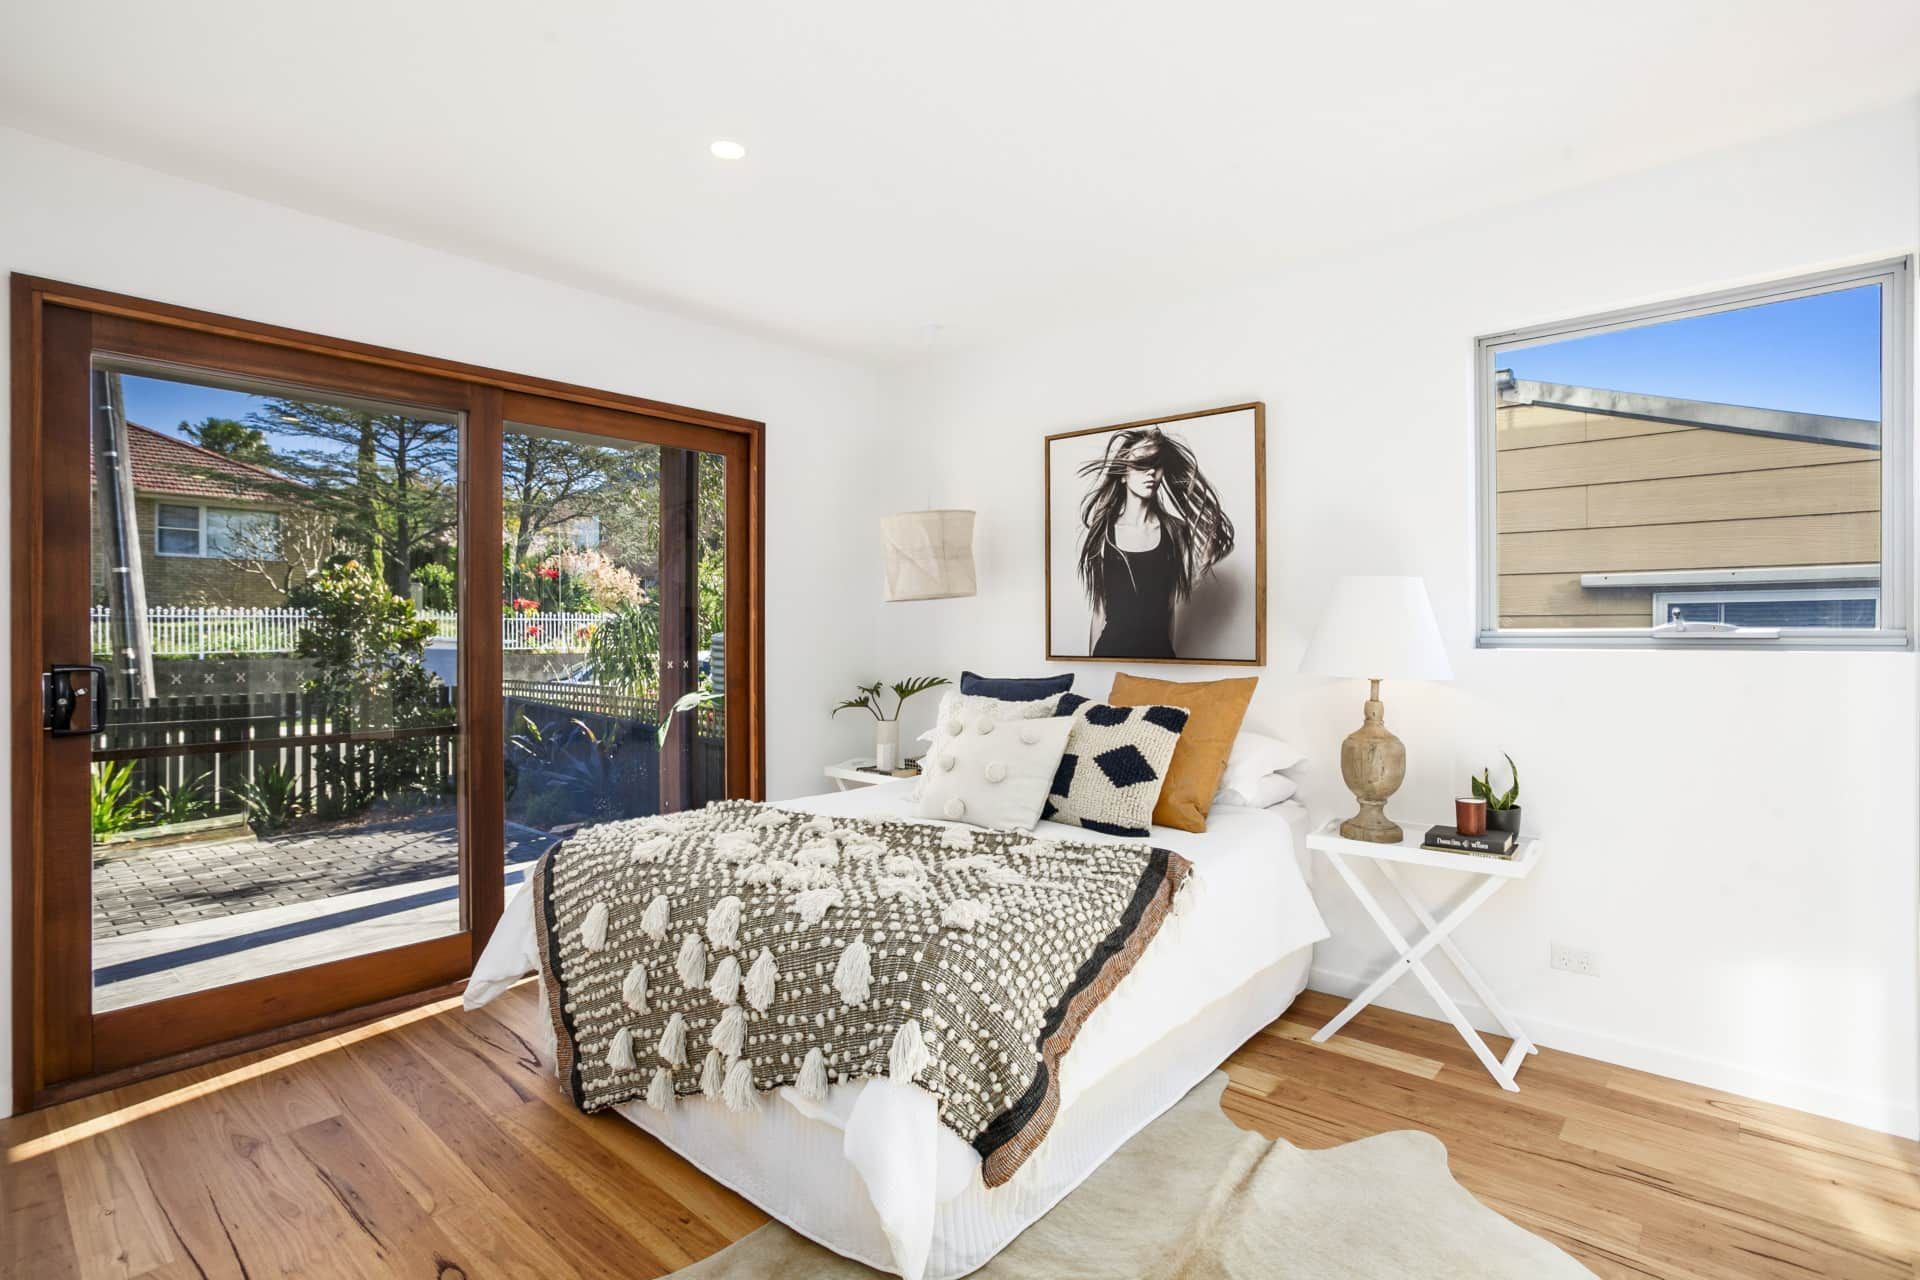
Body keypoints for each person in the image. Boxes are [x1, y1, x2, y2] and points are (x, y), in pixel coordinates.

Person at [1076, 427, 1234, 658]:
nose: (1150, 472)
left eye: (1156, 464)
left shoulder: (1175, 531)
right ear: (1123, 474)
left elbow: (1169, 607)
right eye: (1141, 464)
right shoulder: (1104, 534)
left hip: (1159, 655)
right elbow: (1099, 611)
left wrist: (1169, 663)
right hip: (1110, 654)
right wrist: (1090, 669)